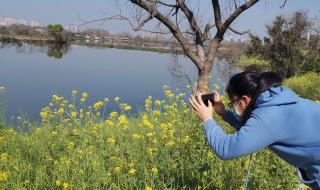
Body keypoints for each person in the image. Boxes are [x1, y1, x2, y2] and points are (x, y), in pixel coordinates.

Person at [189, 71, 320, 190]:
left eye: (233, 103)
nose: (233, 106)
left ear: (244, 99)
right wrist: (223, 113)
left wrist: (207, 119)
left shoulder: (269, 116)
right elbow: (253, 130)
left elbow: (226, 149)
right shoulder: (276, 99)